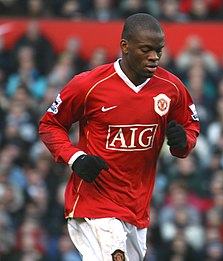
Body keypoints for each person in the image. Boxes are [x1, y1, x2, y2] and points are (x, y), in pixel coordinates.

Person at [39, 13, 200, 261]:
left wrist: (183, 142)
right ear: (125, 46)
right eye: (146, 50)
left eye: (159, 50)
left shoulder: (172, 88)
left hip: (137, 207)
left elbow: (190, 128)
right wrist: (76, 158)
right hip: (94, 202)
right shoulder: (89, 85)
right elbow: (50, 124)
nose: (154, 57)